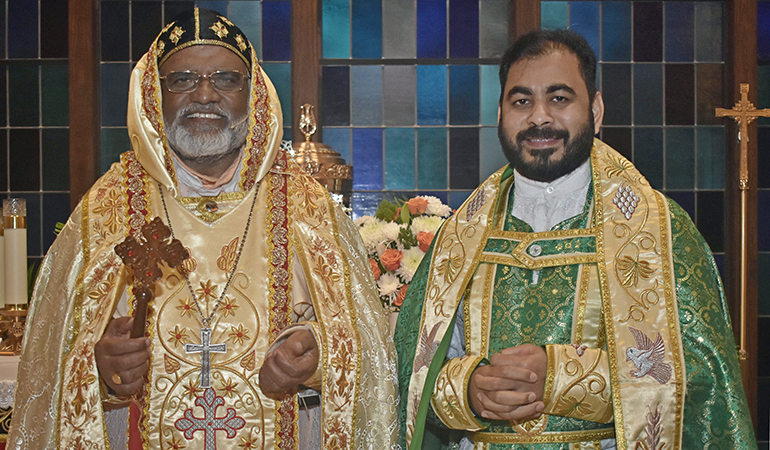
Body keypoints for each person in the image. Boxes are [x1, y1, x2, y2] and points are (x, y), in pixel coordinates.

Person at [10, 9, 398, 450]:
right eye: (183, 79)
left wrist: (314, 359)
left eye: (227, 79)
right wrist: (99, 372)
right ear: (155, 95)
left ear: (253, 94)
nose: (206, 94)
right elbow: (47, 372)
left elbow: (370, 352)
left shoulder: (307, 209)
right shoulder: (106, 212)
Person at [395, 29, 756, 450]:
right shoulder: (462, 236)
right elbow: (411, 375)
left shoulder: (657, 228)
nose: (539, 117)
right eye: (521, 100)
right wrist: (471, 389)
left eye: (560, 98)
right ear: (500, 112)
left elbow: (701, 385)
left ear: (596, 110)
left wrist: (562, 374)